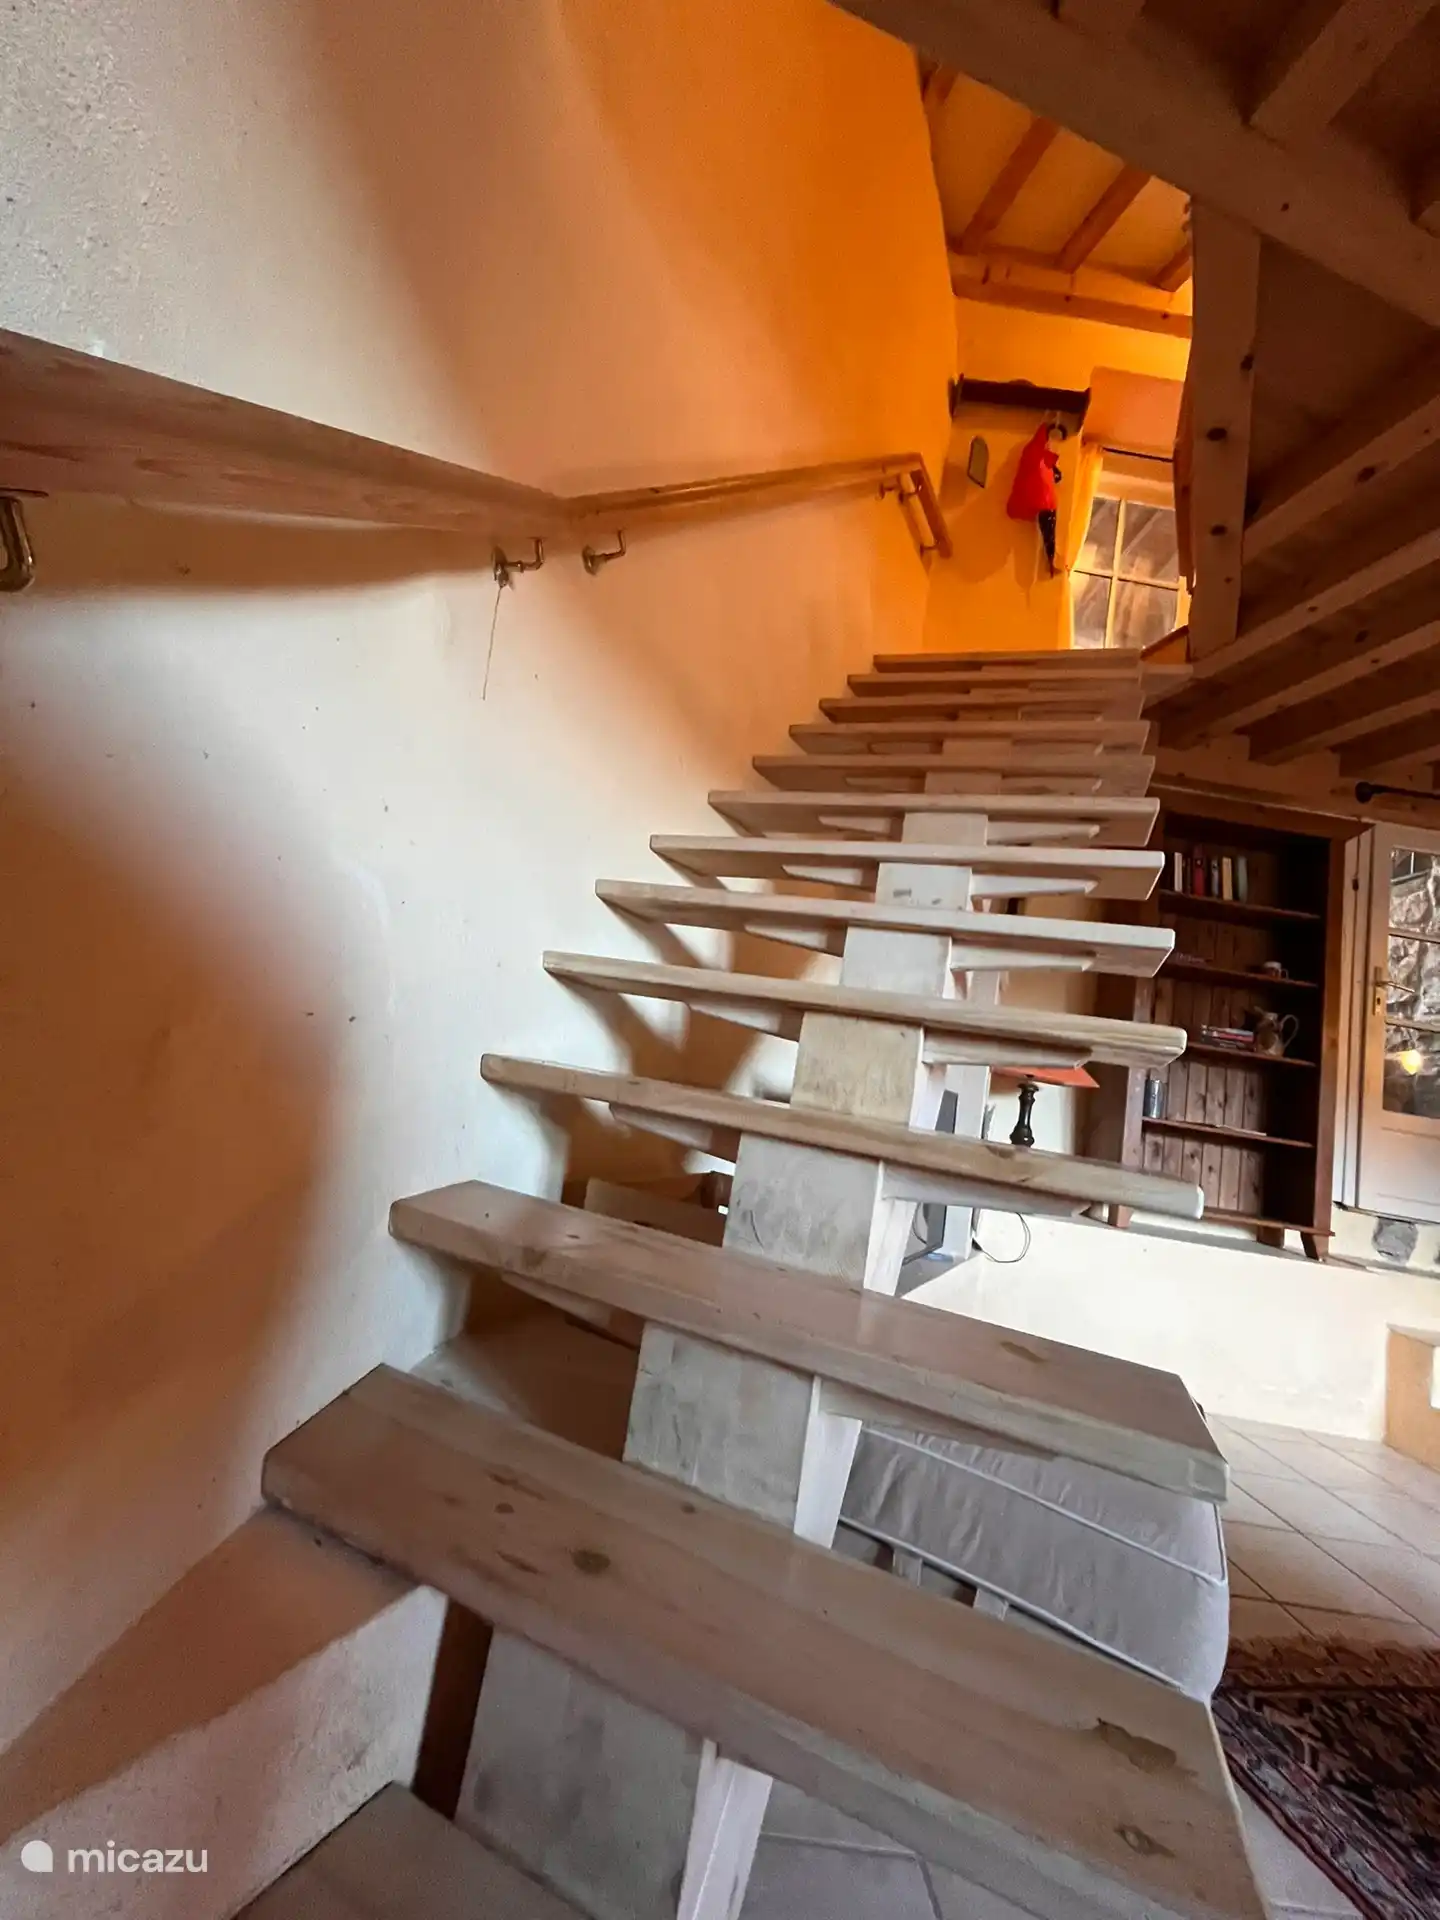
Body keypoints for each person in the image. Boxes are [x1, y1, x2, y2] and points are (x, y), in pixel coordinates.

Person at [1006, 418, 1068, 575]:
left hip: (1041, 500)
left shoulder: (1036, 454)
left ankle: (1051, 560)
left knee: (1048, 527)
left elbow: (1046, 474)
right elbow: (1039, 475)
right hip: (1042, 501)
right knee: (1048, 527)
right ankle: (1051, 561)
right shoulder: (1036, 454)